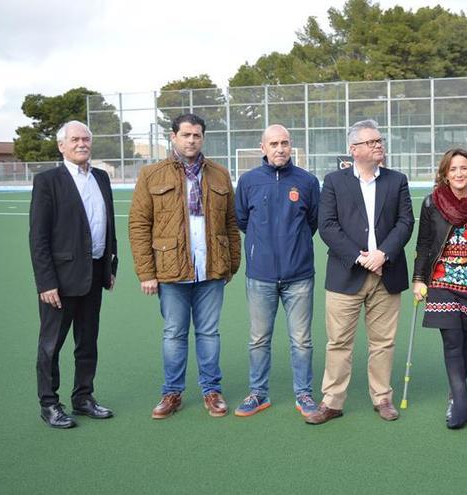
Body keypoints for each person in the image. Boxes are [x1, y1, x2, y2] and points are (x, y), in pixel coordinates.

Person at [128, 113, 241, 420]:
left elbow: (231, 222)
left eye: (197, 135)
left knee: (208, 333)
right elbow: (139, 225)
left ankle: (212, 391)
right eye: (186, 135)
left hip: (211, 269)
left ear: (202, 138)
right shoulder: (152, 174)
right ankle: (172, 393)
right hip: (170, 270)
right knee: (174, 334)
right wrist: (147, 272)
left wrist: (231, 263)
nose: (192, 140)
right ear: (173, 137)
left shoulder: (219, 174)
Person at [305, 119, 414, 425]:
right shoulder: (334, 181)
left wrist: (383, 254)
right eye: (371, 142)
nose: (379, 145)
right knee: (338, 342)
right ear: (353, 149)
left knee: (383, 342)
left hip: (387, 274)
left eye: (379, 140)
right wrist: (359, 257)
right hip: (345, 275)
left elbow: (405, 222)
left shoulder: (397, 180)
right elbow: (327, 226)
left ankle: (382, 398)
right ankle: (333, 401)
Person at [30, 120, 118, 429]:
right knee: (51, 345)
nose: (82, 144)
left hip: (94, 273)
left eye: (86, 139)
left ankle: (83, 397)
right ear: (62, 146)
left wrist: (110, 266)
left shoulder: (101, 178)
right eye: (75, 139)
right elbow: (38, 237)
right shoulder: (48, 181)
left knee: (87, 341)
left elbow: (108, 226)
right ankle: (49, 404)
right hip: (61, 280)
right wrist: (46, 282)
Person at [233, 124, 321, 418]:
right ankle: (258, 393)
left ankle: (304, 394)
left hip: (299, 276)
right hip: (260, 276)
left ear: (291, 146)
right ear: (263, 148)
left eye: (284, 143)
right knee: (259, 339)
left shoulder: (307, 181)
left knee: (302, 341)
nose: (280, 148)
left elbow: (313, 222)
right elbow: (243, 221)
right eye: (274, 144)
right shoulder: (248, 182)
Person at [412, 149, 467, 429]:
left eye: (463, 168)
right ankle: (460, 400)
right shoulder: (431, 203)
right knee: (451, 338)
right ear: (445, 173)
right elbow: (424, 243)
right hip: (441, 279)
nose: (459, 174)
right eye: (453, 169)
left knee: (466, 340)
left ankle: (455, 392)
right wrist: (418, 278)